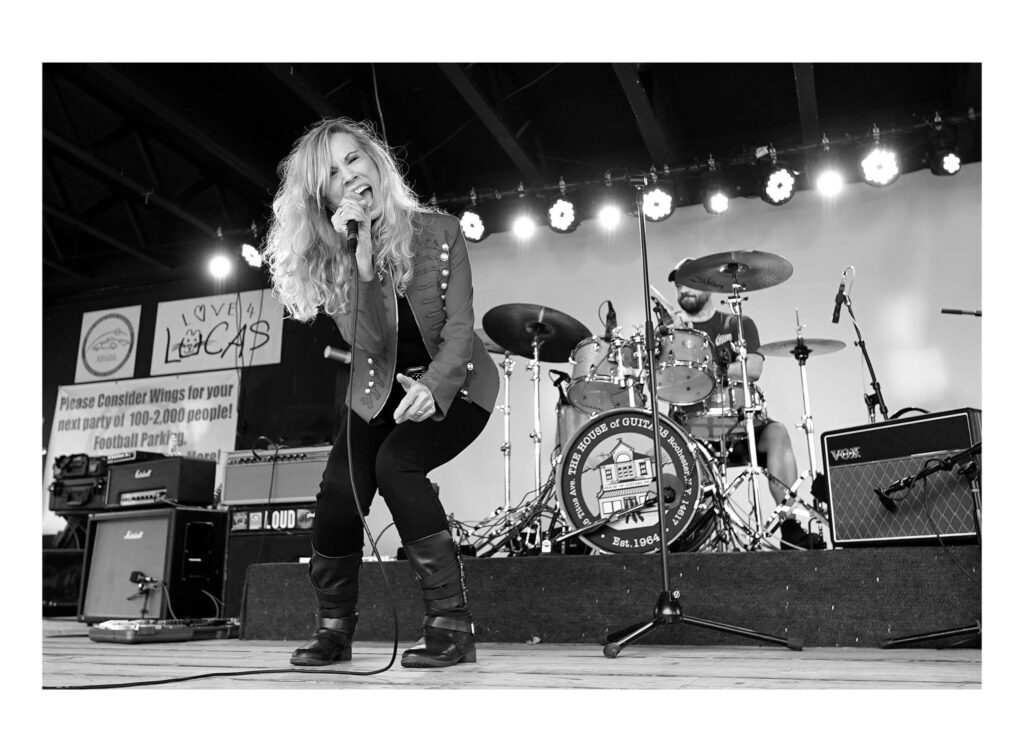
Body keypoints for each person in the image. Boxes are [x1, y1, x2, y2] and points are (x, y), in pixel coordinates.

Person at [263, 117, 499, 668]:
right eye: (331, 174)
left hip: (459, 382)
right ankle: (333, 629)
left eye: (353, 159)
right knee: (339, 490)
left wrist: (434, 387)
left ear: (375, 162)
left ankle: (451, 625)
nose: (348, 176)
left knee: (397, 465)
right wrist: (361, 261)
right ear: (322, 199)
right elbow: (369, 341)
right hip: (377, 388)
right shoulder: (333, 260)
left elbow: (460, 329)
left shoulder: (440, 232)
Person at [665, 257, 824, 550]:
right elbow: (661, 381)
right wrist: (676, 341)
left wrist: (708, 366)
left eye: (688, 283)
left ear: (708, 285)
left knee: (777, 433)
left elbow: (753, 368)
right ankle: (680, 533)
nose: (682, 290)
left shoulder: (736, 323)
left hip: (738, 425)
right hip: (689, 430)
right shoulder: (669, 332)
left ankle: (790, 528)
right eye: (678, 286)